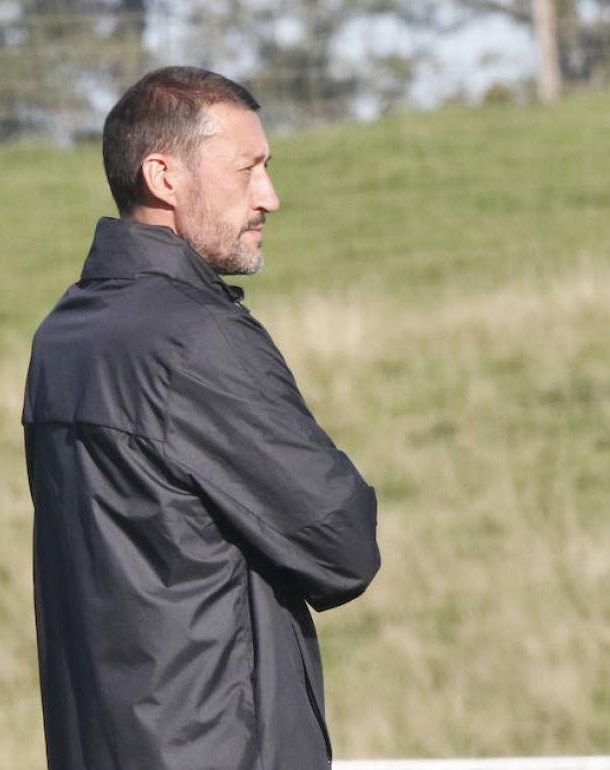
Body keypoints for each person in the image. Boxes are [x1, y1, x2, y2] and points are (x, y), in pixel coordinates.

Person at [22, 66, 381, 770]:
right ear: (164, 175)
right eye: (248, 169)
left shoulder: (63, 335)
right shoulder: (196, 338)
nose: (270, 197)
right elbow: (343, 544)